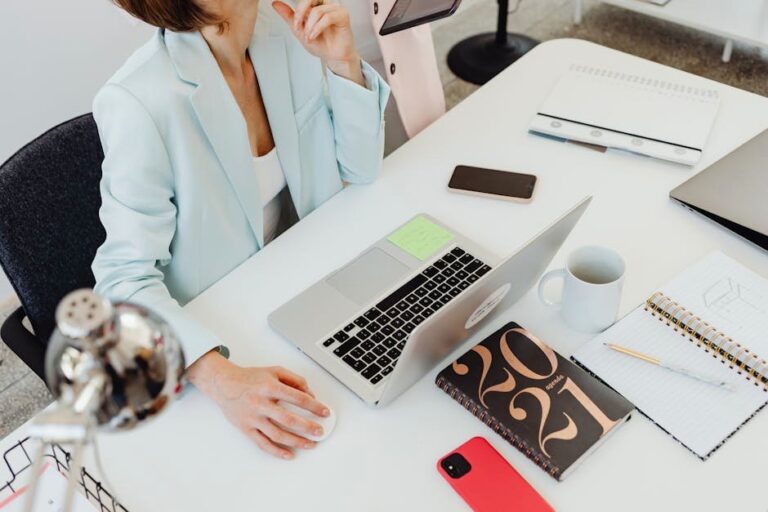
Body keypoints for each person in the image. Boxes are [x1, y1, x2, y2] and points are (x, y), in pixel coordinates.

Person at [92, 0, 389, 460]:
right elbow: (121, 283)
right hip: (226, 342)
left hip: (313, 295)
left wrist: (342, 63)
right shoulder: (139, 102)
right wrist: (221, 379)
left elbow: (361, 168)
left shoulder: (284, 31)